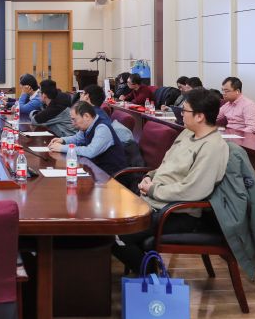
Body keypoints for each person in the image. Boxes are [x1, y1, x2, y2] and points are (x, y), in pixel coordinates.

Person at [112, 88, 230, 273]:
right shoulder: (186, 133)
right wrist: (149, 177)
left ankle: (151, 276)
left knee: (116, 235)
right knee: (108, 222)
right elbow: (166, 165)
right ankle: (147, 272)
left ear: (200, 116)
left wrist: (153, 189)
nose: (181, 114)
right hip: (154, 200)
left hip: (176, 213)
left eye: (185, 110)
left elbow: (193, 190)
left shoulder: (213, 147)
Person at [48, 101, 127, 176]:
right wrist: (63, 140)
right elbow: (78, 138)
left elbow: (90, 152)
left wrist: (62, 148)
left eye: (74, 119)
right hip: (95, 169)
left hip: (111, 175)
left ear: (86, 116)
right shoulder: (87, 126)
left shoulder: (102, 128)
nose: (72, 123)